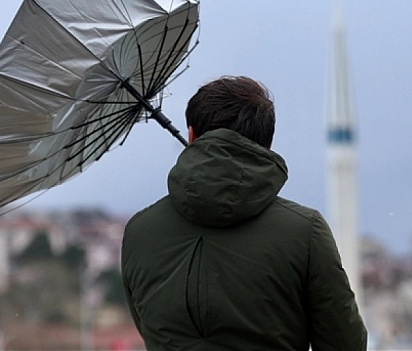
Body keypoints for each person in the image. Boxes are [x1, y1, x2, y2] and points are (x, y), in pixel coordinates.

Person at [121, 76, 367, 351]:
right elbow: (344, 342)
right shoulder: (304, 231)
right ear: (267, 144)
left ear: (191, 135)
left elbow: (147, 326)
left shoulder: (139, 232)